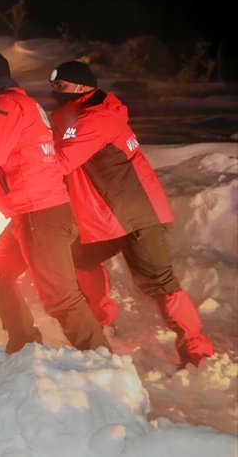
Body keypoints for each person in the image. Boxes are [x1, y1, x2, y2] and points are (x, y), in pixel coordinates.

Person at [49, 60, 215, 367]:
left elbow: (60, 161)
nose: (54, 91)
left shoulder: (95, 119)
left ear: (81, 87)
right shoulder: (81, 115)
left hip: (137, 216)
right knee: (81, 260)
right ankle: (102, 321)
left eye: (60, 86)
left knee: (158, 281)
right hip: (108, 217)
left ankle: (196, 349)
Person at [0, 52, 110, 354]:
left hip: (38, 212)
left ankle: (101, 360)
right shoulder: (22, 102)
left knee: (61, 297)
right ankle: (24, 342)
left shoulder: (4, 104)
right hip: (31, 211)